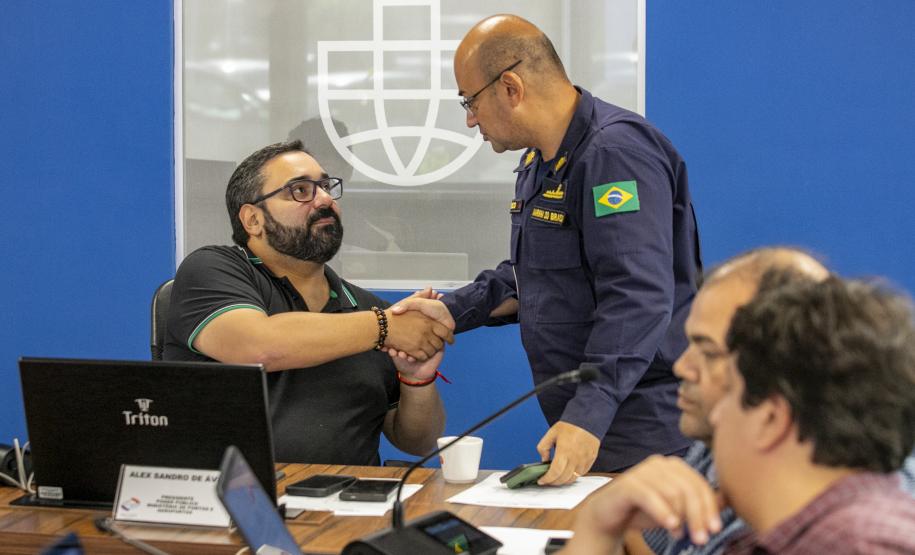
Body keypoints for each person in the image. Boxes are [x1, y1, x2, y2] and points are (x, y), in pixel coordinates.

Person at [438, 14, 702, 480]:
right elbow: (534, 274)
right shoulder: (538, 161)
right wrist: (451, 311)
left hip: (643, 431)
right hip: (595, 426)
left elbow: (636, 296)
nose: (469, 118)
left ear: (511, 88)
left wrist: (588, 413)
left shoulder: (614, 153)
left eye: (470, 100)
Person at [563, 275, 915, 554]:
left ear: (770, 420)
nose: (715, 419)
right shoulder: (770, 539)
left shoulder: (858, 544)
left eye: (727, 394)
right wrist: (598, 528)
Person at [163, 140, 452, 465]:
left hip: (351, 507)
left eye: (326, 186)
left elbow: (419, 441)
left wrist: (417, 378)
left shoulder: (367, 308)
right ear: (253, 220)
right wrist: (386, 327)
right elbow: (258, 347)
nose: (326, 199)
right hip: (235, 504)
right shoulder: (212, 270)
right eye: (300, 190)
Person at [636, 247, 829, 555]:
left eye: (709, 353)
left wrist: (597, 529)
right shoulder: (720, 437)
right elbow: (650, 541)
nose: (681, 367)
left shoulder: (838, 527)